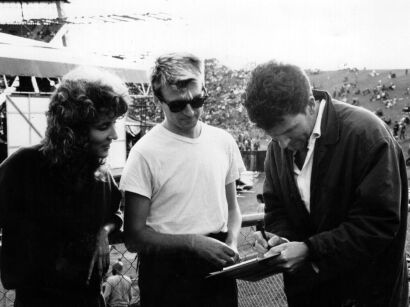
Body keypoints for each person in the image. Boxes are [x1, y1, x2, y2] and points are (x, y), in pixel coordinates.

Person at [244, 61, 408, 307]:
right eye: (274, 136)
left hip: (367, 294)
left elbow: (378, 224)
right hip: (309, 295)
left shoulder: (367, 135)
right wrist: (279, 240)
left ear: (310, 104)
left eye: (289, 131)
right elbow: (277, 209)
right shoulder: (277, 149)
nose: (284, 144)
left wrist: (311, 250)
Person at [120, 52, 245, 307]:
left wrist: (231, 241)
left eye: (198, 101)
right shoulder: (144, 152)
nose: (190, 112)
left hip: (217, 262)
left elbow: (233, 209)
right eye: (177, 105)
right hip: (167, 272)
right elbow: (134, 237)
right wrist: (192, 243)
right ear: (159, 101)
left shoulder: (223, 140)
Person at [0, 67, 130, 306]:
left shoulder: (101, 172)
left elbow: (115, 214)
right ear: (74, 130)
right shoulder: (23, 166)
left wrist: (104, 230)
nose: (113, 134)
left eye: (113, 124)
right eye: (103, 126)